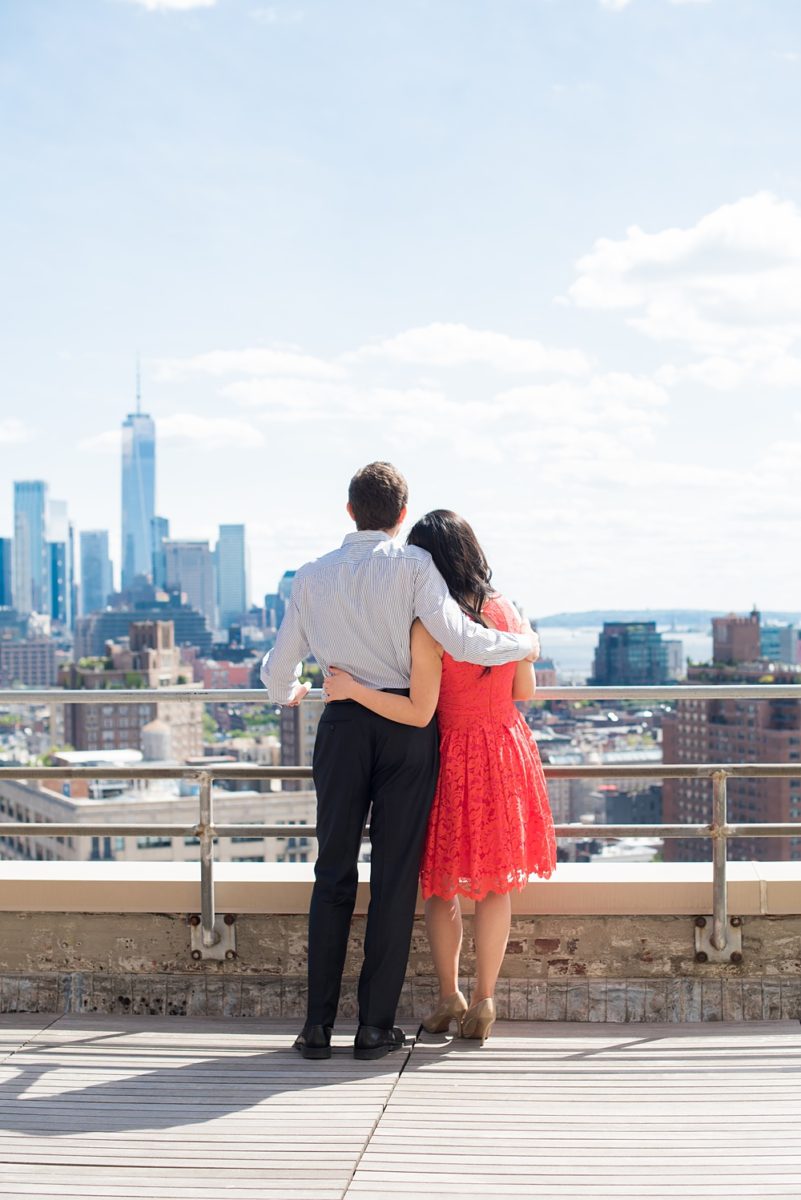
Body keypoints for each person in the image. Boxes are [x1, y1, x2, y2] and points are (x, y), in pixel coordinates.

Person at [261, 464, 539, 1061]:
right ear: (401, 513)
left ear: (348, 510)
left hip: (341, 724)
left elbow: (280, 668)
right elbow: (461, 640)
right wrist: (524, 644)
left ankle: (316, 1028)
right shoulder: (415, 568)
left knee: (332, 873)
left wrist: (294, 692)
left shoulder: (310, 577)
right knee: (392, 879)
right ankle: (374, 1028)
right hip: (404, 729)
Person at [323, 509, 556, 1044]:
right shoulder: (508, 611)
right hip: (504, 749)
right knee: (497, 885)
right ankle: (485, 1000)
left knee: (441, 884)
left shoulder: (429, 622)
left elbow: (420, 707)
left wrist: (357, 689)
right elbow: (526, 693)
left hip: (449, 753)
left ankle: (448, 995)